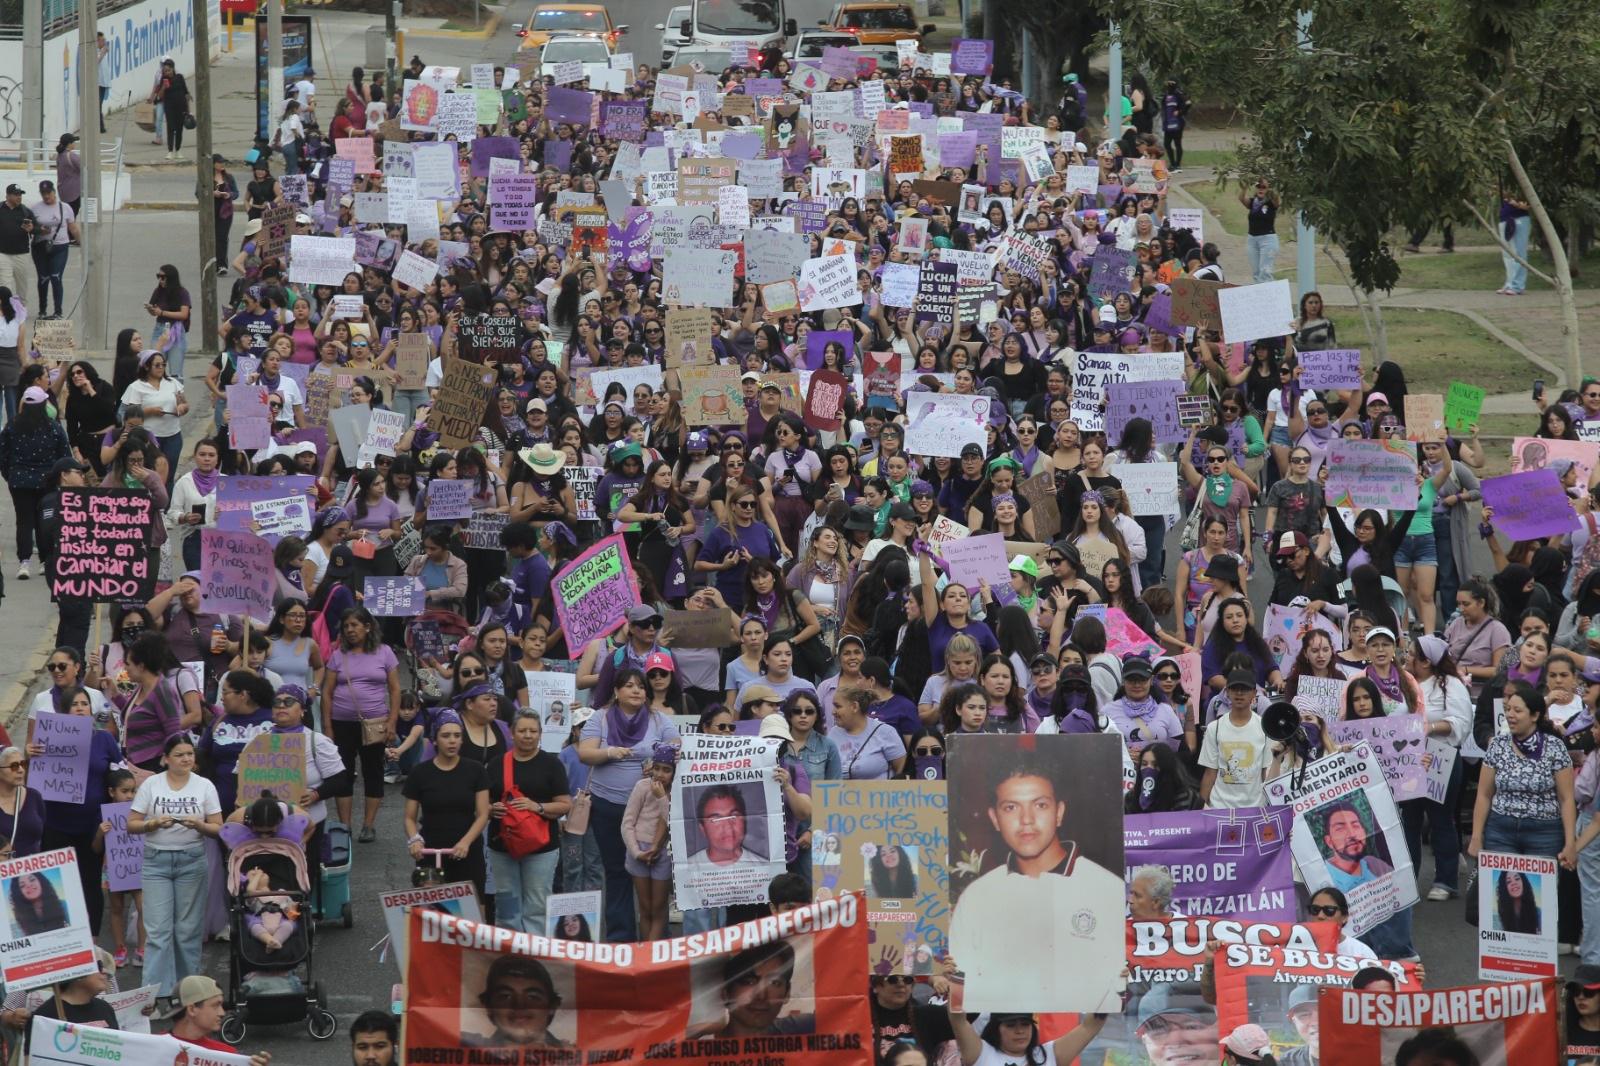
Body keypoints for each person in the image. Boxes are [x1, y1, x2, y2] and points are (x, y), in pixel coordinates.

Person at [947, 757, 1123, 1013]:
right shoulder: (977, 896)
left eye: (1040, 805)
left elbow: (1119, 985)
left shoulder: (1106, 888)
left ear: (1059, 812)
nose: (1026, 819)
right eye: (1011, 808)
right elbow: (962, 990)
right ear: (994, 819)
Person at [127, 735, 222, 1002]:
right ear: (165, 758)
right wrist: (153, 824)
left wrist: (200, 826)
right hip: (156, 861)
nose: (186, 759)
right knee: (157, 932)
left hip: (191, 860)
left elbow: (218, 828)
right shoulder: (151, 785)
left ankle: (187, 994)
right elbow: (131, 823)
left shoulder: (204, 786)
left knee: (188, 931)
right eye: (179, 755)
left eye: (190, 754)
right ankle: (154, 997)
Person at [487, 709, 570, 934]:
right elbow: (481, 802)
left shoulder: (551, 765)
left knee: (537, 905)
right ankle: (509, 956)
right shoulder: (496, 764)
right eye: (522, 730)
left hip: (541, 847)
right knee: (507, 904)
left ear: (540, 734)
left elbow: (565, 804)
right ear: (512, 734)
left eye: (533, 731)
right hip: (503, 844)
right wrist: (490, 808)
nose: (527, 735)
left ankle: (534, 959)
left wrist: (537, 807)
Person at [404, 712, 491, 899]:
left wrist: (466, 842)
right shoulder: (420, 773)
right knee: (431, 909)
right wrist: (414, 840)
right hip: (430, 849)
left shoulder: (476, 770)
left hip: (467, 849)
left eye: (457, 736)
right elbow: (409, 817)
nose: (452, 741)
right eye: (445, 736)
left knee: (474, 907)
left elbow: (483, 813)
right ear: (435, 740)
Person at [711, 940, 813, 1037]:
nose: (761, 995)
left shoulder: (801, 1027)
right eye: (749, 982)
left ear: (787, 992)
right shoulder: (702, 1042)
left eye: (774, 983)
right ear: (725, 994)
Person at [464, 955, 569, 1048]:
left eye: (532, 997)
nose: (520, 1006)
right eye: (505, 996)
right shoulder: (467, 1048)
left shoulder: (575, 1055)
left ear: (552, 1006)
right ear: (488, 1006)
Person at [166, 975, 272, 1064]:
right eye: (216, 1005)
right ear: (192, 1009)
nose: (222, 1013)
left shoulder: (227, 1055)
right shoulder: (224, 1055)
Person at [1317, 801, 1393, 891]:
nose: (1352, 834)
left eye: (1356, 825)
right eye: (1340, 829)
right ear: (1329, 841)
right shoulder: (1323, 878)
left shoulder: (1373, 863)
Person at [29, 178, 77, 319]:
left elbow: (73, 228)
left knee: (56, 277)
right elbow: (30, 228)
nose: (46, 196)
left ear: (54, 192)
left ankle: (58, 311)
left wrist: (83, 244)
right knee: (43, 278)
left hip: (59, 246)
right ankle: (42, 310)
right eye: (43, 193)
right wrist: (38, 230)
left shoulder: (65, 207)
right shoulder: (35, 208)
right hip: (40, 247)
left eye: (48, 193)